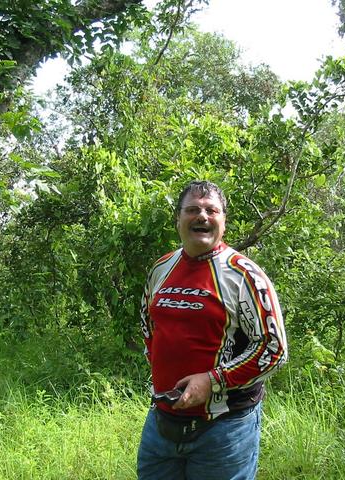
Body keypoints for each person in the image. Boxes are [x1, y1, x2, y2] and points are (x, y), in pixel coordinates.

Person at [137, 180, 288, 480]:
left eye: (211, 210)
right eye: (192, 210)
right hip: (162, 422)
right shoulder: (161, 268)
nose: (202, 216)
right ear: (178, 219)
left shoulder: (244, 275)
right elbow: (147, 324)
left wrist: (212, 381)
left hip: (225, 429)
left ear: (223, 222)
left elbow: (274, 349)